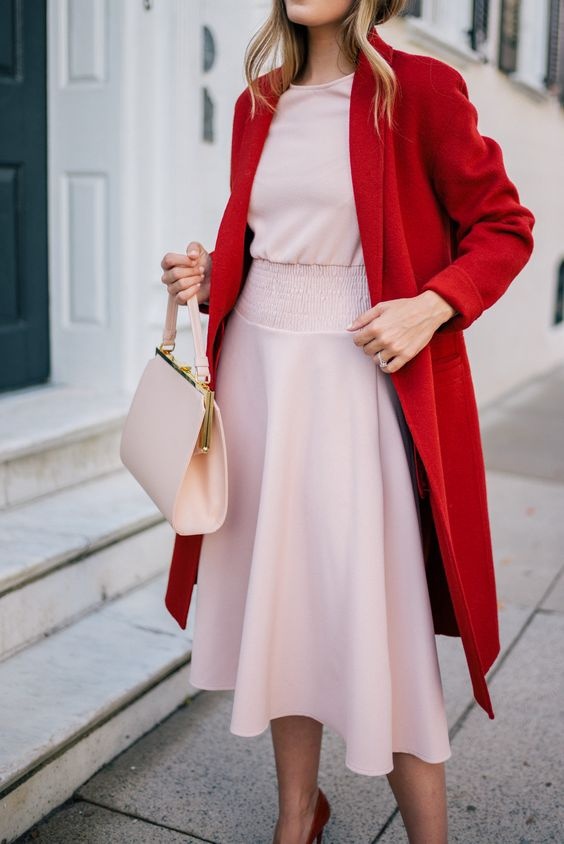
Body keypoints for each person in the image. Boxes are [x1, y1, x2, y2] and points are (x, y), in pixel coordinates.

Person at [160, 2, 535, 842]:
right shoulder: (257, 100)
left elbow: (504, 229)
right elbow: (273, 245)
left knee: (379, 624)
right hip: (260, 388)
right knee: (285, 614)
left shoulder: (421, 91)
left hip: (353, 396)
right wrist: (213, 278)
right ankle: (298, 816)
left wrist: (433, 305)